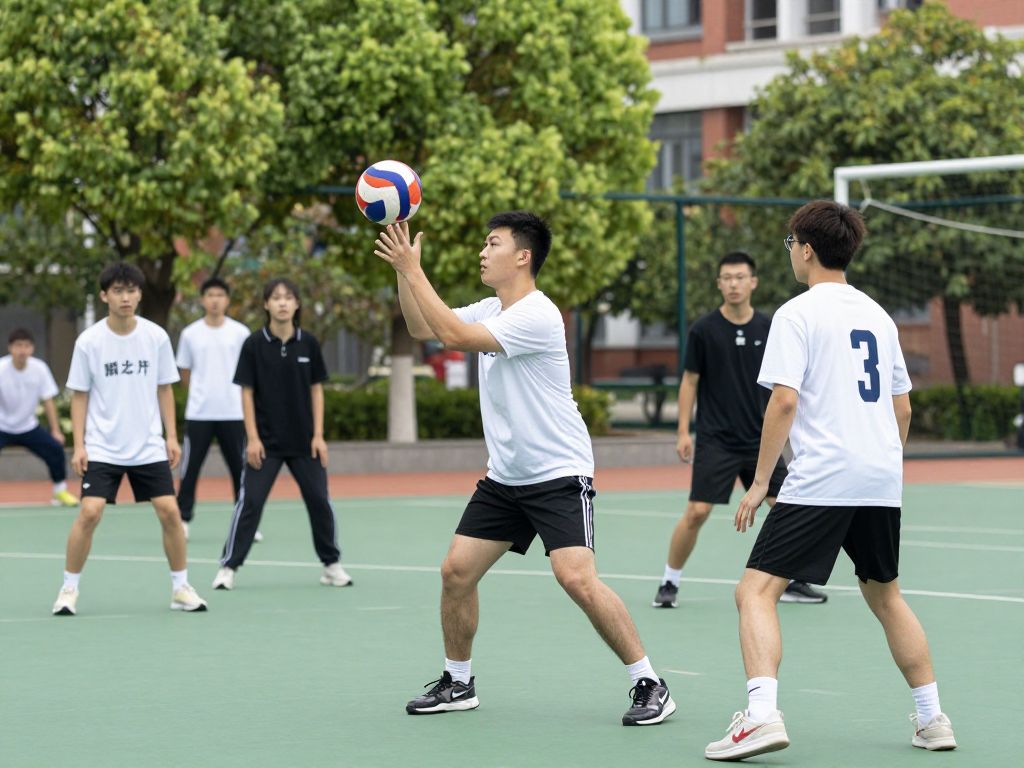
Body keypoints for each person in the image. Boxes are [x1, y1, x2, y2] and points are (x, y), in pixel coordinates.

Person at [374, 212, 675, 726]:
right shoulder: (493, 306)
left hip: (558, 472)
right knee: (455, 572)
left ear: (523, 256)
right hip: (505, 477)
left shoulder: (537, 314)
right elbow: (424, 326)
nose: (482, 252)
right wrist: (407, 272)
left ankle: (649, 683)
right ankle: (459, 682)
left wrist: (413, 269)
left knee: (576, 578)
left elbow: (455, 336)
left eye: (492, 243)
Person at [704, 201, 956, 760]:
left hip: (821, 477)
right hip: (880, 478)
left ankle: (762, 717)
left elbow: (784, 402)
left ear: (807, 248)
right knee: (886, 596)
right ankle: (932, 718)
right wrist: (881, 464)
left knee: (754, 592)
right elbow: (904, 409)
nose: (789, 251)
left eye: (791, 242)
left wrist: (760, 481)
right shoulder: (879, 315)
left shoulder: (797, 314)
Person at [652, 253, 827, 608]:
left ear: (753, 282)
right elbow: (689, 381)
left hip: (761, 440)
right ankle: (670, 582)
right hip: (717, 441)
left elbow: (787, 387)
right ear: (719, 284)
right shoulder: (703, 330)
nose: (733, 284)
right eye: (726, 278)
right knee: (698, 511)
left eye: (739, 277)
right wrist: (683, 431)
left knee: (785, 509)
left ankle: (791, 580)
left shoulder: (771, 327)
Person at [52, 262, 207, 616]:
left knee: (169, 511)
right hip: (103, 445)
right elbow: (79, 395)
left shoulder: (155, 337)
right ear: (105, 296)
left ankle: (180, 587)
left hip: (148, 444)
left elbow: (164, 388)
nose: (126, 297)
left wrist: (171, 436)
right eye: (118, 291)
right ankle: (68, 589)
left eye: (132, 290)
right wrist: (79, 445)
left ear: (139, 294)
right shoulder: (89, 341)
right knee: (90, 513)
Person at [212, 278, 351, 591]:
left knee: (319, 501)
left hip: (305, 443)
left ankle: (331, 564)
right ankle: (228, 567)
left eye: (289, 297)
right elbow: (246, 394)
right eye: (276, 298)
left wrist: (319, 435)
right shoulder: (253, 344)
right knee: (250, 503)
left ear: (297, 304)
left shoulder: (309, 343)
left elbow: (317, 391)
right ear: (266, 305)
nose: (283, 303)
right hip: (266, 445)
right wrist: (253, 438)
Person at [175, 277, 257, 541]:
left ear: (227, 300)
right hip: (199, 413)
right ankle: (183, 519)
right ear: (202, 299)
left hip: (233, 412)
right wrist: (201, 393)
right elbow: (184, 371)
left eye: (220, 295)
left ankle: (246, 523)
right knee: (190, 470)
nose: (215, 300)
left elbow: (248, 374)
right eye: (210, 295)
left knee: (240, 470)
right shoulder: (190, 334)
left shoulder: (240, 332)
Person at [0, 328, 79, 506]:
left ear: (32, 349)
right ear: (10, 348)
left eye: (26, 346)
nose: (22, 350)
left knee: (55, 449)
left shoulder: (40, 368)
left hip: (29, 426)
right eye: (18, 346)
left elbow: (48, 401)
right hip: (2, 426)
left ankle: (60, 492)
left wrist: (56, 430)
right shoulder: (1, 369)